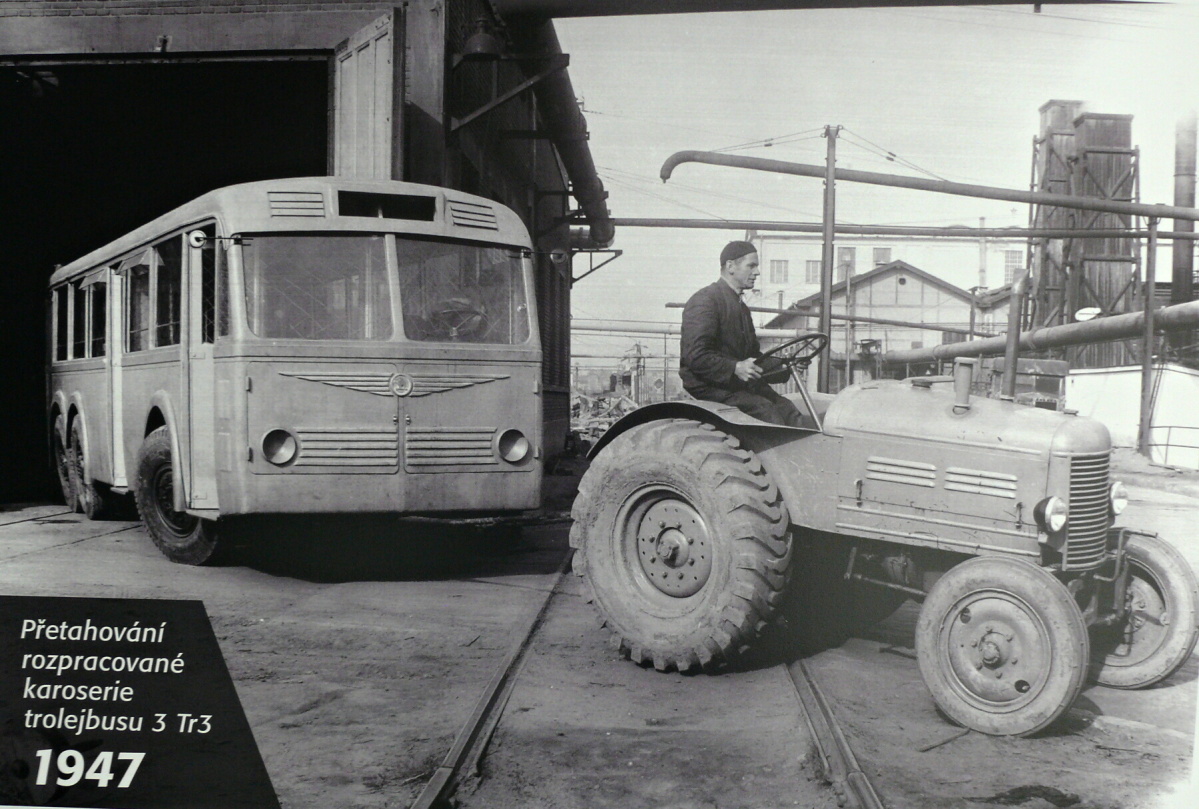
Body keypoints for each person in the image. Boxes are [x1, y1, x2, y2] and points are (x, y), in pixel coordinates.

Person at [679, 240, 806, 427]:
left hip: (735, 385)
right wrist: (735, 368)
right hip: (710, 386)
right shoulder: (705, 301)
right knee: (766, 411)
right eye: (751, 266)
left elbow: (753, 358)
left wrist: (786, 366)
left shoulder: (741, 308)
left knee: (787, 409)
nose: (757, 272)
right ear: (730, 266)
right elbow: (695, 356)